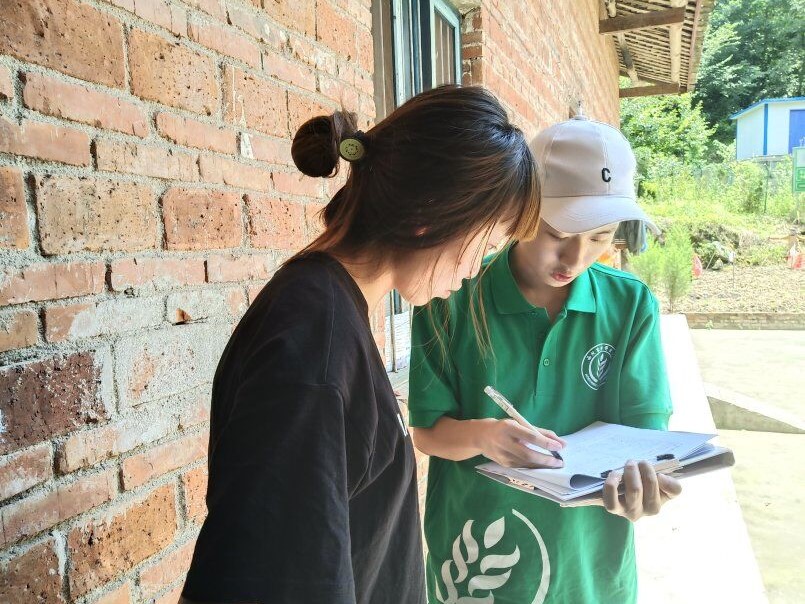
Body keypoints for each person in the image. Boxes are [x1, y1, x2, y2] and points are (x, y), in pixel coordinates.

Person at [180, 85, 542, 604]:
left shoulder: (330, 311)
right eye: (483, 242)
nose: (474, 269)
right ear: (430, 216)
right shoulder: (316, 341)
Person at [408, 114, 682, 604]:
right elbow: (427, 432)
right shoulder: (450, 297)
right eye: (558, 233)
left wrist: (645, 488)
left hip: (589, 567)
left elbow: (647, 440)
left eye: (600, 236)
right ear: (520, 211)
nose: (575, 258)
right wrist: (483, 435)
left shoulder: (630, 305)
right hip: (476, 559)